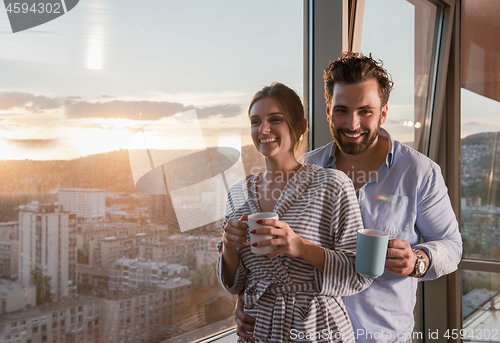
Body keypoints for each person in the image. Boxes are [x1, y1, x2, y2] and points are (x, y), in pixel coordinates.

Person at [234, 53, 463, 343]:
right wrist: (244, 301)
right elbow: (276, 254)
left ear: (383, 112)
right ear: (328, 112)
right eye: (341, 110)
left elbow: (452, 246)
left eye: (365, 111)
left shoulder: (419, 172)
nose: (352, 124)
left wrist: (417, 260)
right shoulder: (307, 167)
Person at [217, 82, 372, 342]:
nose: (263, 129)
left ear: (300, 126)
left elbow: (359, 273)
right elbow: (235, 284)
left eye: (275, 119)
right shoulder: (237, 193)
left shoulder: (332, 184)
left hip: (319, 329)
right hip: (258, 329)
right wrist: (228, 244)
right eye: (256, 121)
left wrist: (299, 246)